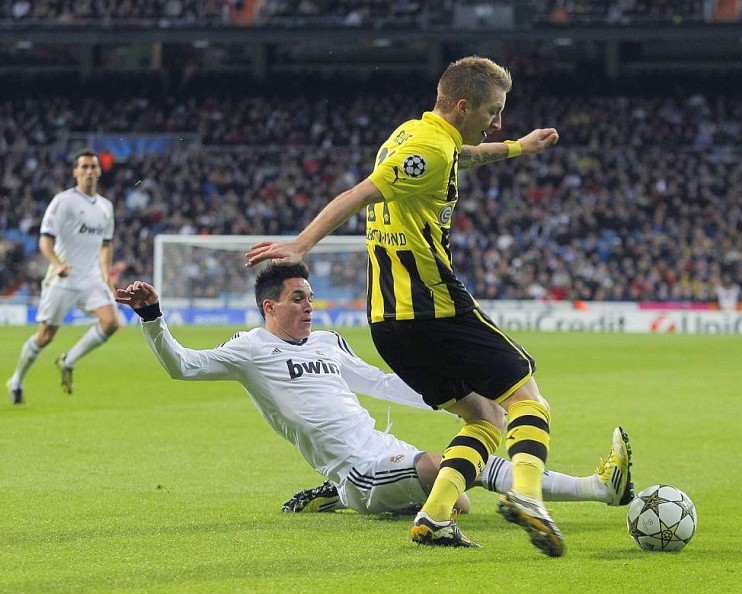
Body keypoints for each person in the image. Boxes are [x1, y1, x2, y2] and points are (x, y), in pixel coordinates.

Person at [244, 56, 571, 554]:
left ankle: (434, 517)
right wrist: (302, 244)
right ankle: (528, 497)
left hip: (389, 324)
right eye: (493, 110)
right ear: (463, 106)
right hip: (434, 307)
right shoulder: (427, 148)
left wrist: (514, 148)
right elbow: (360, 192)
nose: (498, 122)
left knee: (484, 419)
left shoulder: (412, 136)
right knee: (527, 401)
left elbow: (461, 154)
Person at [115, 262, 633, 525]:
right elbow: (183, 367)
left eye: (311, 298)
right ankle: (345, 493)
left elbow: (382, 383)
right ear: (269, 306)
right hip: (361, 472)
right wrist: (153, 319)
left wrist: (458, 397)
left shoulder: (327, 342)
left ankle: (598, 488)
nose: (309, 306)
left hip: (388, 452)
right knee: (450, 475)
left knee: (466, 472)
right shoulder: (250, 349)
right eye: (298, 299)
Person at [7, 150, 119, 405]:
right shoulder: (63, 202)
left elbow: (106, 244)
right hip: (64, 278)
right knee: (45, 336)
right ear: (75, 172)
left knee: (110, 322)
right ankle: (16, 381)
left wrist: (106, 275)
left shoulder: (105, 207)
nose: (89, 171)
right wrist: (57, 264)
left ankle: (68, 361)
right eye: (84, 167)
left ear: (99, 171)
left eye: (93, 167)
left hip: (90, 277)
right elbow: (45, 240)